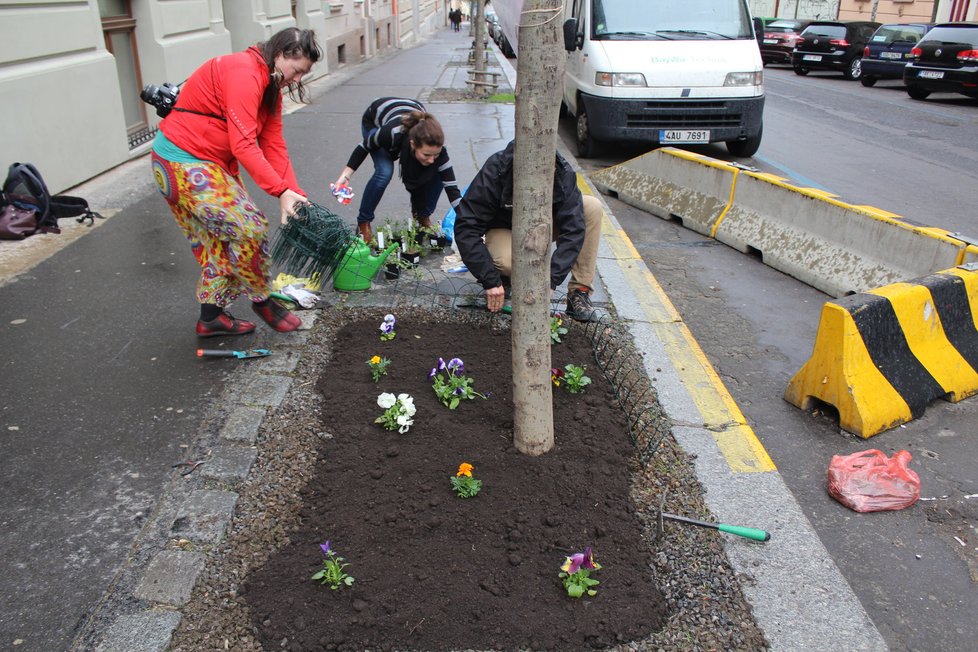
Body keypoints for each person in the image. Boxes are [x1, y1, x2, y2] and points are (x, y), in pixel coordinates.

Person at [151, 27, 322, 337]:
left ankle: (211, 318)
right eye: (297, 71)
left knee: (223, 243)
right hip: (182, 161)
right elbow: (244, 145)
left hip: (207, 162)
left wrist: (293, 192)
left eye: (303, 74)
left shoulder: (269, 83)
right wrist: (279, 190)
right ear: (281, 54)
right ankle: (263, 300)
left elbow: (273, 142)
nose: (296, 80)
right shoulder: (245, 73)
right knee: (248, 228)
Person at [453, 140, 603, 322]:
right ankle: (505, 278)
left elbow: (573, 230)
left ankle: (579, 293)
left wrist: (551, 279)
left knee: (591, 207)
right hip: (506, 229)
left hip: (544, 226)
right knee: (507, 262)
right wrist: (490, 280)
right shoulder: (497, 169)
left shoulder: (562, 171)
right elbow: (466, 226)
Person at [332, 97, 462, 244]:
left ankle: (422, 216)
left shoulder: (437, 151)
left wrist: (470, 221)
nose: (431, 159)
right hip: (375, 121)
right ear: (413, 145)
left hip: (409, 118)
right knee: (384, 172)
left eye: (435, 154)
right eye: (426, 155)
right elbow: (364, 146)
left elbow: (452, 189)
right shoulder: (389, 134)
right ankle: (364, 222)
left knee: (438, 173)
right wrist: (346, 175)